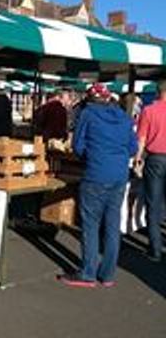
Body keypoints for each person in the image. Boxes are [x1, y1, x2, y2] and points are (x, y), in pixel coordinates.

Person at [60, 83, 137, 287]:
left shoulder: (88, 114)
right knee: (112, 225)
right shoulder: (124, 116)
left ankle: (88, 273)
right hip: (119, 176)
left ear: (90, 99)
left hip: (96, 175)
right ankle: (108, 274)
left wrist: (92, 154)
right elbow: (132, 148)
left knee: (91, 225)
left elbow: (77, 146)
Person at [135, 80, 166, 262]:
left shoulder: (149, 110)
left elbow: (142, 138)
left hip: (155, 160)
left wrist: (138, 159)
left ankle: (155, 250)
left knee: (153, 204)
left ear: (157, 92)